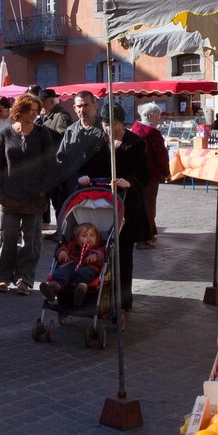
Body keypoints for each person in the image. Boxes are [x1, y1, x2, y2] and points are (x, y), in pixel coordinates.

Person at [75, 105, 150, 309]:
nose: (109, 128)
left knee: (124, 255)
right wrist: (83, 177)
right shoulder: (98, 142)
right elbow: (84, 167)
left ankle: (124, 301)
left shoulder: (135, 143)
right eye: (105, 124)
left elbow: (144, 174)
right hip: (101, 206)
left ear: (122, 123)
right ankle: (99, 297)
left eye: (113, 124)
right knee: (99, 252)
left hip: (126, 207)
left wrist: (130, 182)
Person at [0, 93, 58, 294]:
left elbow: (51, 165)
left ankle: (24, 280)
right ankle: (2, 277)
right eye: (31, 111)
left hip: (34, 198)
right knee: (6, 238)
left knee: (31, 242)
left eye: (37, 111)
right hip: (8, 198)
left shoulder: (42, 134)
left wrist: (44, 190)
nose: (35, 114)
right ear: (20, 111)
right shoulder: (5, 134)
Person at [54, 90, 107, 214]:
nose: (82, 109)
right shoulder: (71, 131)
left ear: (95, 106)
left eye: (86, 105)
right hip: (74, 189)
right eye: (79, 106)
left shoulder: (105, 129)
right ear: (74, 108)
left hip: (99, 188)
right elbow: (62, 159)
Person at [131, 103, 170, 246]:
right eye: (157, 116)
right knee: (149, 206)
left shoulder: (134, 129)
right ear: (149, 116)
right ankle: (145, 238)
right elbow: (160, 155)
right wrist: (166, 172)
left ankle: (148, 233)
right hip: (151, 174)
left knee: (139, 204)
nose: (159, 118)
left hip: (135, 175)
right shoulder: (153, 133)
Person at [39, 222, 105, 305]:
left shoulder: (98, 247)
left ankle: (81, 289)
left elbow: (102, 253)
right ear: (78, 238)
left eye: (92, 235)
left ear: (97, 237)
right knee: (61, 272)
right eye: (84, 236)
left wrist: (96, 255)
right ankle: (52, 290)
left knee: (87, 273)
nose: (89, 238)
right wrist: (62, 252)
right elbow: (64, 247)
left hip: (88, 265)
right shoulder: (73, 244)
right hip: (71, 264)